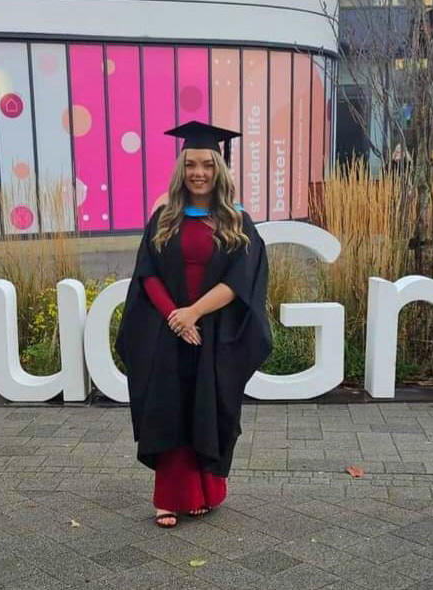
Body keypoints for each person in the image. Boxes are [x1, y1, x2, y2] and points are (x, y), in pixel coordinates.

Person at [114, 120, 272, 529]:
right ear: (180, 169)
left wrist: (194, 313)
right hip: (168, 332)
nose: (198, 173)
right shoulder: (165, 216)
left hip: (213, 333)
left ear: (219, 169)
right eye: (190, 165)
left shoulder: (237, 220)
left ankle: (203, 492)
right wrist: (174, 316)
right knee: (168, 408)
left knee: (208, 408)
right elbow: (146, 272)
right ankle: (169, 497)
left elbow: (241, 281)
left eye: (207, 164)